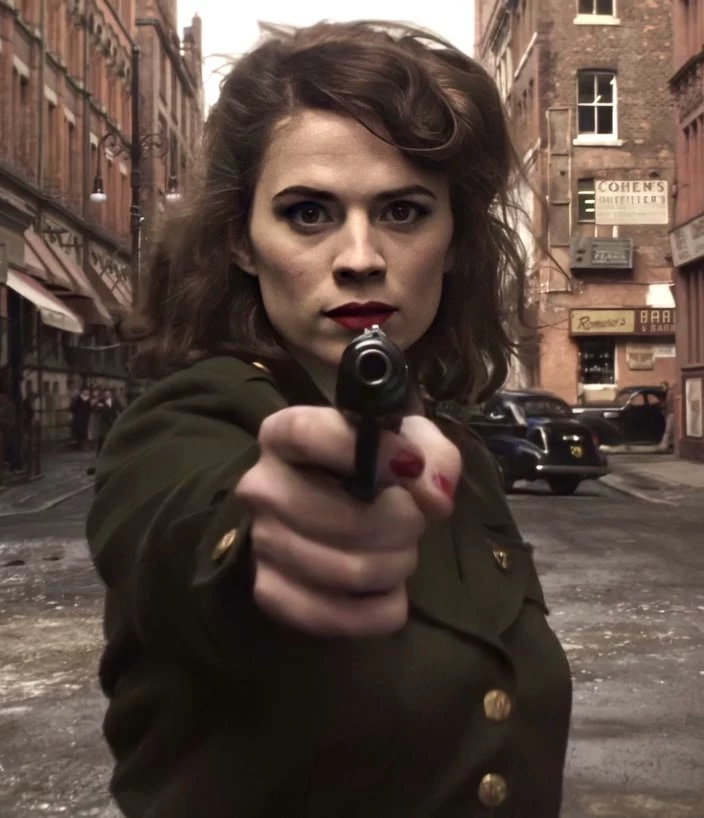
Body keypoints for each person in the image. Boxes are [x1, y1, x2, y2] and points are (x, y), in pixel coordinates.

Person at [86, 21, 572, 818]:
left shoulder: (460, 454)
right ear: (242, 241)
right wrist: (258, 541)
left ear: (455, 240)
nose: (359, 257)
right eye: (309, 213)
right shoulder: (181, 422)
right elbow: (180, 533)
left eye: (404, 211)